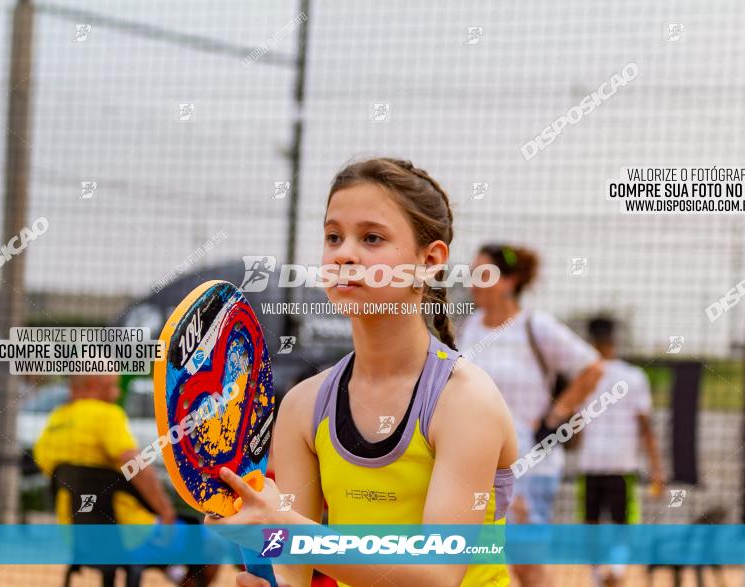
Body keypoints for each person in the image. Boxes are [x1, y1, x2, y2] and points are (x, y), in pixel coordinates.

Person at [206, 158, 519, 586]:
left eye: (371, 238)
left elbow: (438, 575)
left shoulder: (465, 400)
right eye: (333, 237)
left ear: (429, 261)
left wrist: (283, 526)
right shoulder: (303, 405)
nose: (344, 254)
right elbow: (294, 575)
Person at [457, 244, 605, 587]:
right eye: (472, 273)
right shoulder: (470, 328)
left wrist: (556, 416)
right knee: (474, 562)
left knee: (526, 565)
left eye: (484, 274)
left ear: (509, 281)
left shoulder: (535, 325)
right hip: (477, 461)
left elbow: (592, 367)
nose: (473, 282)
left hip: (528, 461)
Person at [33, 373, 218, 586]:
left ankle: (171, 569)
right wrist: (166, 512)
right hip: (130, 535)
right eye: (112, 386)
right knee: (212, 541)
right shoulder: (107, 415)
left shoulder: (56, 419)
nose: (117, 393)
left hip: (78, 537)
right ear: (93, 385)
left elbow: (48, 466)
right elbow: (137, 466)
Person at [576, 317, 664, 587]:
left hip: (590, 464)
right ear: (614, 341)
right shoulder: (634, 376)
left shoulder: (583, 377)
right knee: (623, 525)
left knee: (590, 525)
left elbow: (576, 429)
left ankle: (596, 577)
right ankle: (615, 570)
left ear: (591, 342)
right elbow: (645, 428)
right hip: (621, 465)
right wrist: (657, 469)